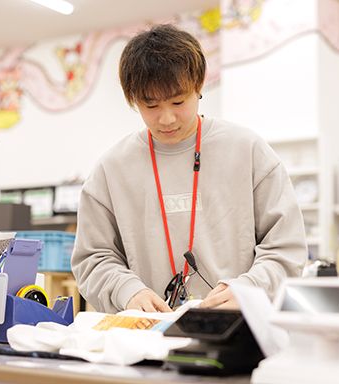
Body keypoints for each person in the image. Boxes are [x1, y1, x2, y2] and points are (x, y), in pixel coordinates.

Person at [71, 24, 307, 314]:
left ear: (199, 86)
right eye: (151, 105)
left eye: (178, 101)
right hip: (147, 335)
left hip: (238, 327)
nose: (167, 118)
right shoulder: (111, 169)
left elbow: (287, 246)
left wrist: (250, 288)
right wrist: (127, 292)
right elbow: (92, 258)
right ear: (133, 100)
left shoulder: (247, 150)